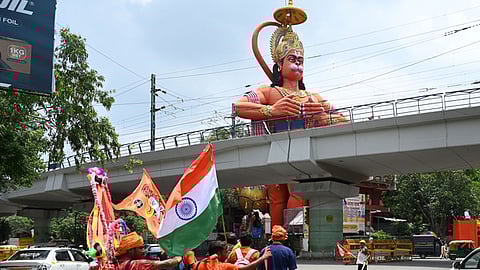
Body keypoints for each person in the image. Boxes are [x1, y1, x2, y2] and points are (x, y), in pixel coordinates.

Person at [233, 3, 346, 228]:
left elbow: (344, 119)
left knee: (296, 194)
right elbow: (238, 107)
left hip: (301, 153)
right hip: (275, 151)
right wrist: (271, 110)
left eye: (300, 60)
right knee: (276, 199)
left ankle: (291, 237)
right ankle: (275, 237)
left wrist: (323, 117)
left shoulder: (312, 96)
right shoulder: (269, 92)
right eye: (292, 60)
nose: (297, 64)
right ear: (279, 64)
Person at [115, 232, 181, 270]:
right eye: (140, 248)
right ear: (130, 250)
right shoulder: (136, 264)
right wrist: (178, 257)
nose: (143, 251)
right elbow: (167, 264)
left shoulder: (115, 263)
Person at [192, 240, 271, 270]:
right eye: (225, 252)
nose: (227, 254)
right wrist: (263, 258)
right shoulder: (223, 267)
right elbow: (245, 268)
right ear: (219, 253)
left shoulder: (198, 265)